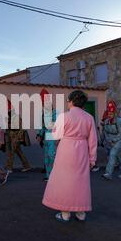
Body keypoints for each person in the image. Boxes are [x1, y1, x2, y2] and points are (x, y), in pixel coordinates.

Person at [42, 90, 98, 222]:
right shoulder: (89, 118)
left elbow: (56, 135)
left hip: (66, 150)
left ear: (72, 101)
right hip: (82, 151)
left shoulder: (63, 116)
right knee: (81, 182)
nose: (67, 103)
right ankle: (81, 213)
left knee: (65, 181)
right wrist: (93, 159)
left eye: (68, 100)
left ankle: (65, 213)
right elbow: (93, 140)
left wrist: (48, 133)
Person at [102, 100, 121, 180]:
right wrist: (109, 140)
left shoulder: (120, 121)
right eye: (108, 113)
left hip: (120, 140)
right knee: (119, 156)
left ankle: (108, 173)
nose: (109, 115)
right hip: (111, 140)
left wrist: (114, 140)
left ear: (114, 113)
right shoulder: (106, 121)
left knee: (112, 154)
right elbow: (105, 132)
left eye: (111, 113)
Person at [36, 88, 58, 182]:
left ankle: (55, 174)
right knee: (46, 158)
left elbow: (56, 125)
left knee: (51, 155)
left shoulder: (55, 113)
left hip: (53, 137)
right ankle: (48, 175)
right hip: (46, 138)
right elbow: (42, 126)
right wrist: (39, 135)